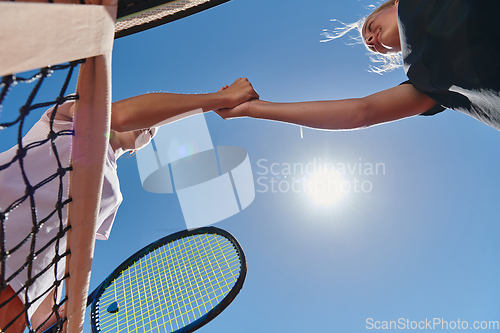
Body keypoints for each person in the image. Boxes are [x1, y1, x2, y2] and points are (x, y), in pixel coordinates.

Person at [0, 78, 258, 332]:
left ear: (139, 149)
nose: (150, 126)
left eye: (153, 129)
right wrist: (220, 99)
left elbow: (61, 255)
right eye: (151, 120)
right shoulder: (65, 121)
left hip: (14, 302)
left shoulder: (114, 195)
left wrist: (55, 316)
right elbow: (120, 115)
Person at [217, 0, 500, 132]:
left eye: (369, 26)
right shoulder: (425, 81)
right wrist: (253, 109)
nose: (369, 38)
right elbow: (361, 112)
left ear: (392, 4)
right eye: (369, 43)